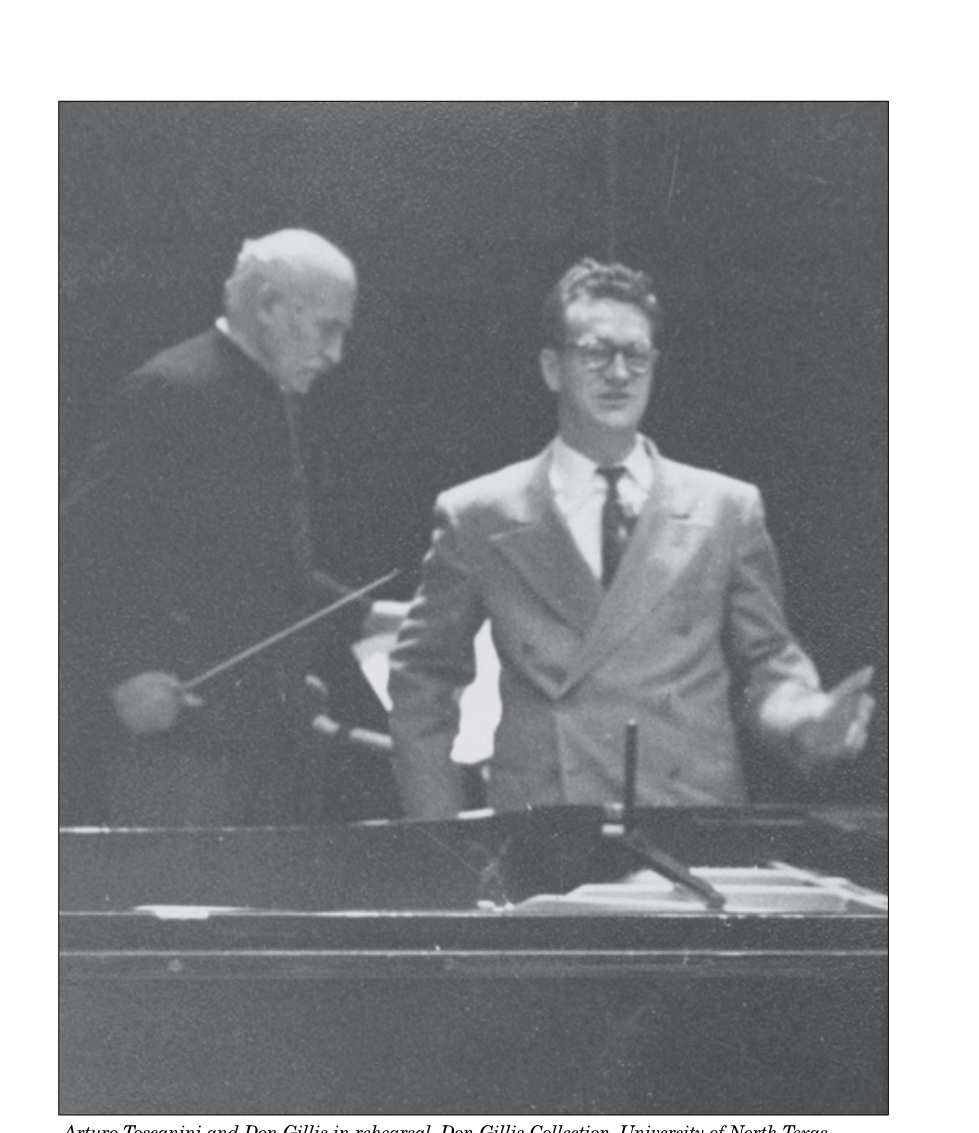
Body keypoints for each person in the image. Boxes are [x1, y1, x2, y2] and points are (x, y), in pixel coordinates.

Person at [388, 259, 874, 819]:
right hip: (545, 830)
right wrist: (440, 836)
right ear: (552, 366)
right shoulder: (478, 514)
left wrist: (806, 718)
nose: (619, 373)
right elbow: (421, 680)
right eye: (596, 352)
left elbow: (768, 665)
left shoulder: (726, 508)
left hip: (692, 825)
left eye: (636, 354)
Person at [60, 228, 371, 826]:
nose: (335, 353)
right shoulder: (172, 389)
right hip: (177, 749)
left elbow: (252, 567)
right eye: (327, 327)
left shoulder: (262, 395)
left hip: (256, 746)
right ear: (269, 306)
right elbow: (79, 550)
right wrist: (120, 672)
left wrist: (366, 616)